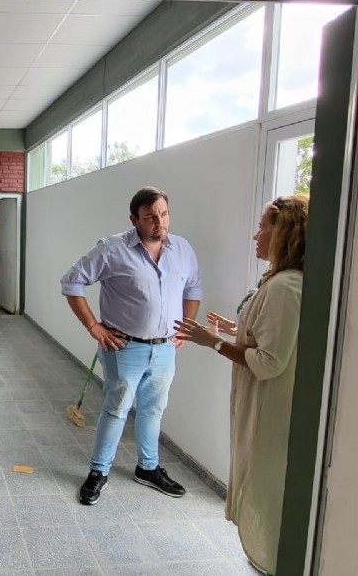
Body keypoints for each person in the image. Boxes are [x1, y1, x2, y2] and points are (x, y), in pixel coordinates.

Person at [175, 194, 308, 576]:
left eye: (264, 226)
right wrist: (232, 331)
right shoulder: (279, 282)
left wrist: (212, 342)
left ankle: (270, 560)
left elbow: (268, 362)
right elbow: (268, 336)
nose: (256, 235)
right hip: (261, 405)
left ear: (285, 233)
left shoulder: (286, 286)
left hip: (271, 410)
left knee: (265, 487)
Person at [60, 186, 203, 506]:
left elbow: (193, 289)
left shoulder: (182, 249)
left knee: (154, 409)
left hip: (166, 349)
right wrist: (93, 326)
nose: (159, 222)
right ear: (134, 219)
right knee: (116, 409)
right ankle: (98, 471)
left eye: (164, 214)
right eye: (151, 216)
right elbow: (71, 282)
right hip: (125, 348)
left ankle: (148, 468)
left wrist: (186, 331)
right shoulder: (112, 249)